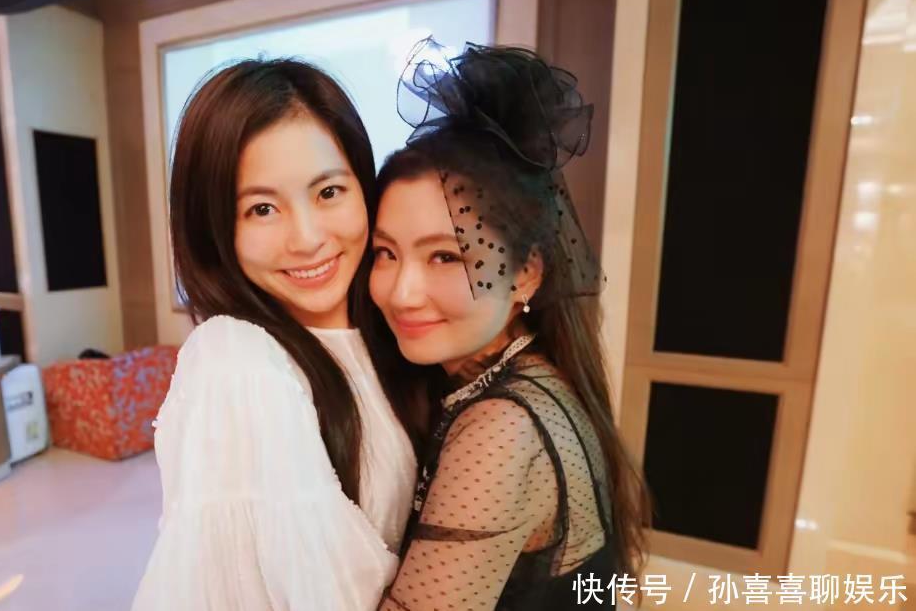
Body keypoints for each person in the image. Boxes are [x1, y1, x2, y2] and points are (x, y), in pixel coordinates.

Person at [368, 39, 649, 610]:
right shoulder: (528, 375)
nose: (401, 291)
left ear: (525, 274)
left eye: (445, 256)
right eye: (385, 253)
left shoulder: (503, 428)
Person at [131, 59, 420, 610]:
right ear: (215, 226)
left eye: (328, 192)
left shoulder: (394, 331)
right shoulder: (236, 361)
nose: (307, 238)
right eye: (262, 209)